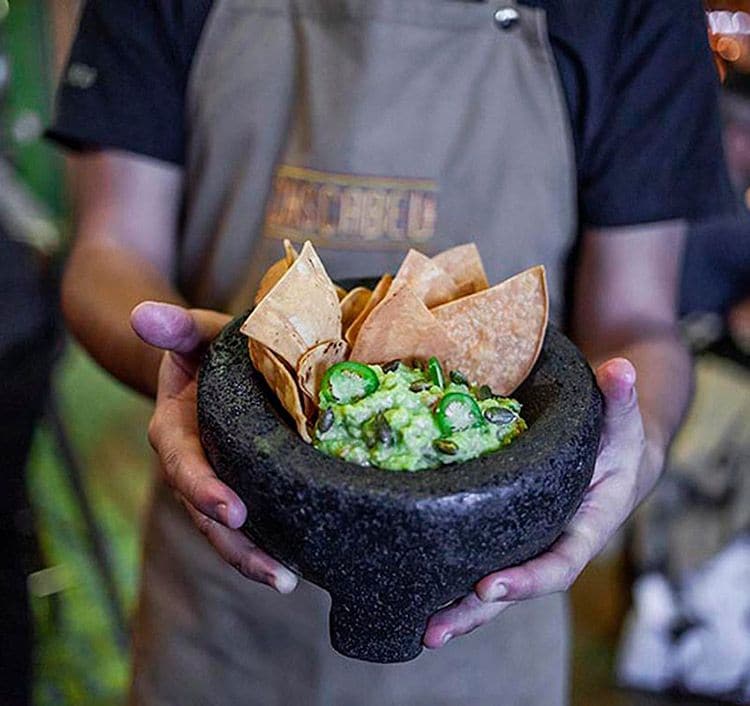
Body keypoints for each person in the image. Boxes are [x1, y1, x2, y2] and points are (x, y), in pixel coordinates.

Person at [49, 1, 734, 703]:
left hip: (486, 634)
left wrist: (635, 449)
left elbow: (635, 318)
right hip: (223, 616)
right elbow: (110, 249)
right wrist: (183, 366)